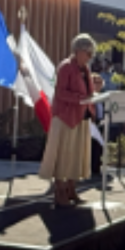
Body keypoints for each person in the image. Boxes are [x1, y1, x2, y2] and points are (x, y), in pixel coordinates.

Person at [39, 35, 99, 207]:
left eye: (91, 53)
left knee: (76, 155)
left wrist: (92, 98)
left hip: (81, 116)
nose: (89, 56)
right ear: (78, 50)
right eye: (87, 52)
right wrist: (81, 98)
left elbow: (87, 91)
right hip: (65, 117)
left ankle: (72, 189)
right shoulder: (66, 67)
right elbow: (60, 93)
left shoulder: (85, 69)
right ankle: (59, 192)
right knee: (63, 155)